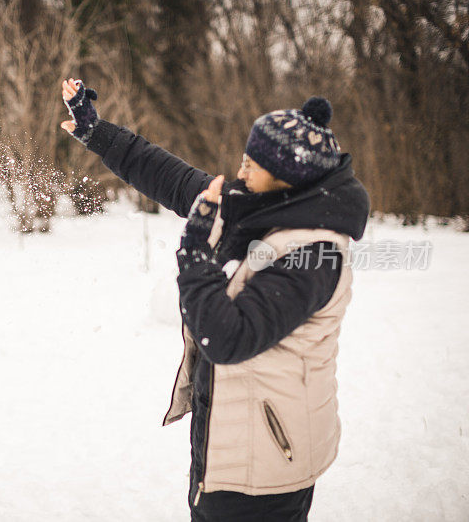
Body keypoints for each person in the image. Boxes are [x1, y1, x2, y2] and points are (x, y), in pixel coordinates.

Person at [60, 79, 369, 521]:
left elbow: (226, 338)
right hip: (230, 443)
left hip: (266, 471)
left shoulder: (312, 253)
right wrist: (98, 131)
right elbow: (172, 177)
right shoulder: (259, 207)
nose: (240, 172)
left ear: (288, 178)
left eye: (251, 163)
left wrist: (194, 256)